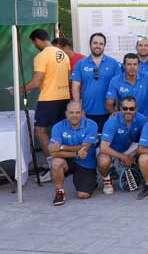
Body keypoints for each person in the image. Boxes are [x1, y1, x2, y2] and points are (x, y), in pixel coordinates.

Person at [8, 29, 71, 182]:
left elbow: (36, 82)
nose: (34, 45)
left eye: (33, 42)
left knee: (40, 132)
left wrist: (18, 90)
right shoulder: (63, 54)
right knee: (60, 132)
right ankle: (63, 163)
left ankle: (52, 166)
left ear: (37, 40)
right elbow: (68, 78)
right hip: (64, 97)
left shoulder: (41, 56)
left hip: (49, 98)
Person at [49, 102, 98, 205]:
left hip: (85, 163)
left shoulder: (91, 125)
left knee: (83, 195)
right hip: (68, 160)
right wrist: (76, 153)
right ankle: (59, 192)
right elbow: (53, 153)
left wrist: (62, 147)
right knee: (56, 162)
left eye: (77, 112)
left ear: (82, 113)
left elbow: (85, 147)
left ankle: (92, 182)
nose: (74, 115)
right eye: (71, 112)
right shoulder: (57, 127)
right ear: (66, 113)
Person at [71, 32, 121, 131]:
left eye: (101, 44)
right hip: (87, 111)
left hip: (108, 112)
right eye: (95, 43)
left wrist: (116, 109)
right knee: (90, 143)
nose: (98, 46)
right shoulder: (80, 64)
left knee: (106, 142)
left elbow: (118, 87)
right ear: (90, 44)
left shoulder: (113, 63)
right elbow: (75, 87)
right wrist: (78, 109)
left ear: (104, 46)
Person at [97, 96, 147, 194]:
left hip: (128, 146)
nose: (128, 111)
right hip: (110, 148)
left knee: (145, 149)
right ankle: (107, 180)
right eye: (125, 108)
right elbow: (104, 147)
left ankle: (136, 170)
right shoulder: (111, 122)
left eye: (131, 108)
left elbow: (146, 141)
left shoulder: (141, 119)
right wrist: (123, 157)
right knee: (103, 161)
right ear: (120, 108)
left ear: (136, 109)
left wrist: (132, 155)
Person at [106, 53, 148, 118]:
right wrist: (113, 113)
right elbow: (108, 103)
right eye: (129, 64)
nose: (132, 67)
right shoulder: (116, 80)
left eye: (135, 64)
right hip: (125, 118)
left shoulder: (146, 76)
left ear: (139, 65)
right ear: (124, 65)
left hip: (145, 118)